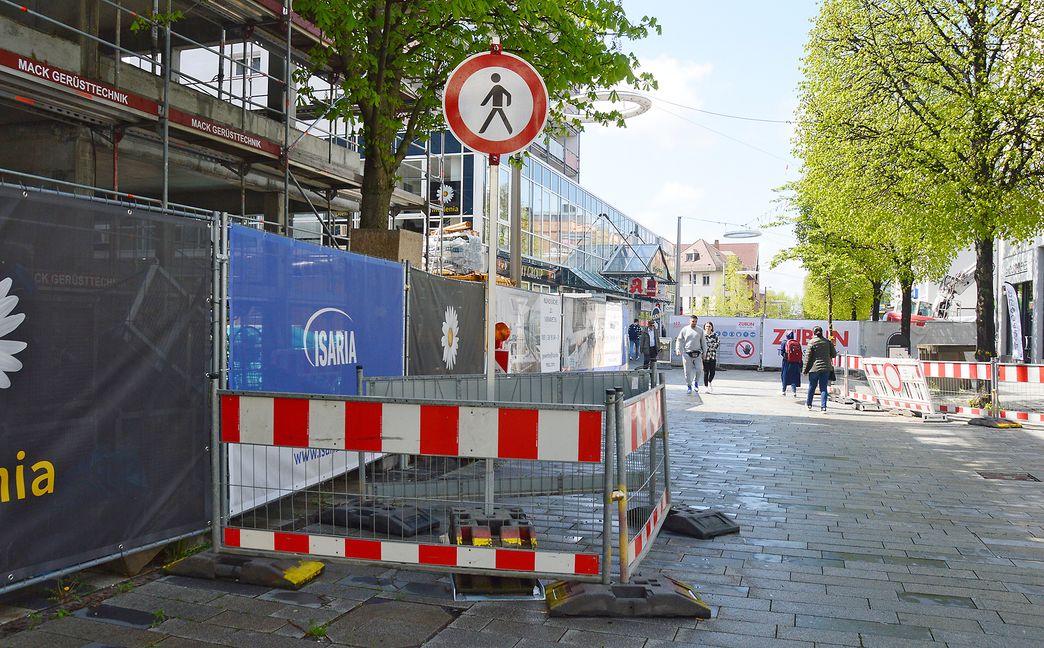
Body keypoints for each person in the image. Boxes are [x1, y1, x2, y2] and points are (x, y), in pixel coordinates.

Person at [803, 325, 837, 413]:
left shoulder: (811, 342)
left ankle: (809, 404)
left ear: (813, 333)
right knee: (823, 388)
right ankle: (823, 408)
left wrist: (805, 370)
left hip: (814, 369)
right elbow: (834, 355)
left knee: (812, 387)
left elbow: (807, 358)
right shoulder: (828, 342)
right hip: (826, 368)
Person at [675, 315, 707, 394]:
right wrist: (678, 349)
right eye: (693, 321)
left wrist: (704, 352)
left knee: (699, 369)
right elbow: (679, 340)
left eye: (695, 321)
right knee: (687, 372)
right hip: (687, 353)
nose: (694, 323)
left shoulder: (700, 330)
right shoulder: (685, 329)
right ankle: (689, 386)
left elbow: (703, 341)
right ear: (690, 321)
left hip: (697, 353)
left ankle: (695, 382)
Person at [779, 331, 802, 397]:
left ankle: (783, 391)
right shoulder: (796, 343)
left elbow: (782, 353)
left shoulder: (784, 342)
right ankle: (794, 392)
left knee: (785, 376)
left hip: (787, 362)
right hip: (796, 363)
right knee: (793, 377)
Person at [702, 321, 720, 393]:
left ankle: (710, 382)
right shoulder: (702, 335)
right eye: (706, 326)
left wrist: (708, 346)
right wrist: (706, 348)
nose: (708, 328)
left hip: (712, 356)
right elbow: (701, 345)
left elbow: (717, 344)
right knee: (706, 372)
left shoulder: (715, 336)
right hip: (705, 356)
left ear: (712, 327)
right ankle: (706, 387)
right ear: (704, 327)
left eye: (709, 326)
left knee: (712, 372)